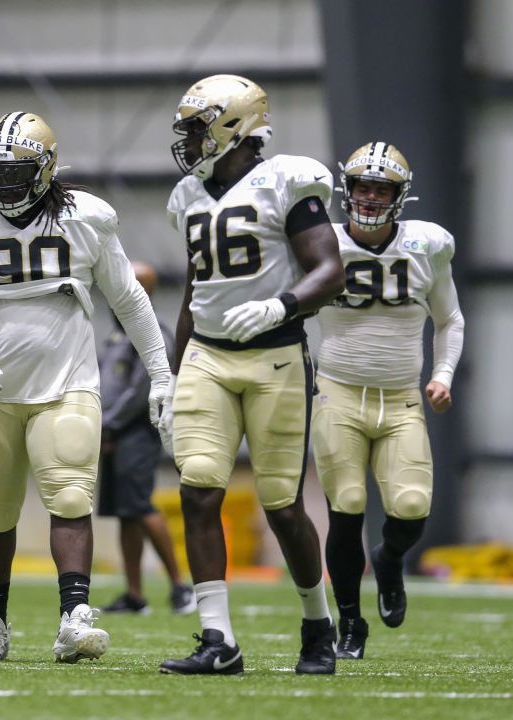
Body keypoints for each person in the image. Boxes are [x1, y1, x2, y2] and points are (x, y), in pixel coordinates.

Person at [0, 111, 172, 664]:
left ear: (45, 170)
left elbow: (130, 300)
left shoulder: (84, 218)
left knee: (69, 496)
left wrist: (160, 371)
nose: (5, 184)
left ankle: (75, 618)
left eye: (17, 173)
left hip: (67, 384)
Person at [157, 74, 345, 676]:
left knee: (282, 505)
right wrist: (172, 372)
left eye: (196, 125)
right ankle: (219, 640)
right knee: (199, 488)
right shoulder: (187, 196)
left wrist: (281, 304)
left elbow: (329, 270)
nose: (187, 138)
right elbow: (195, 291)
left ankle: (318, 624)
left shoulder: (286, 180)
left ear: (231, 125)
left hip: (276, 356)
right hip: (208, 356)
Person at [312, 141, 464, 660]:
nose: (371, 196)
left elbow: (449, 320)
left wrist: (443, 373)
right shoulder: (321, 243)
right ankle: (351, 623)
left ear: (401, 196)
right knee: (348, 504)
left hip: (401, 399)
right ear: (346, 189)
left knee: (411, 507)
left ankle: (390, 557)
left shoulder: (426, 246)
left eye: (382, 188)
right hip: (338, 392)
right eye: (363, 186)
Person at [97, 260, 195, 616]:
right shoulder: (117, 332)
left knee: (140, 506)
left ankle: (181, 587)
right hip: (112, 435)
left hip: (135, 433)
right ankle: (135, 595)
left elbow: (142, 391)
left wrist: (108, 424)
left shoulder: (152, 332)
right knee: (127, 513)